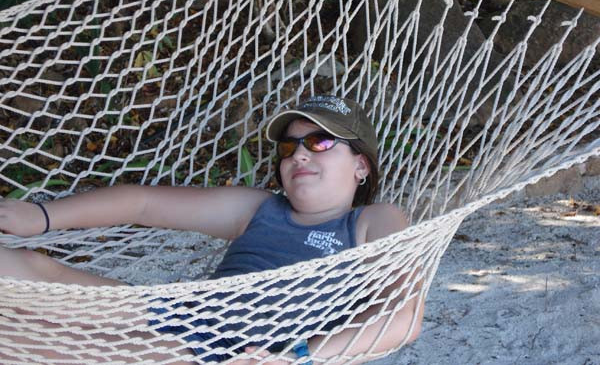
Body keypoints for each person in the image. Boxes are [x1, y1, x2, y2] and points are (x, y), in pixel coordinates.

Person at [0, 95, 423, 364]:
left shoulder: (372, 221)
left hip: (232, 352)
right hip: (179, 314)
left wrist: (299, 359)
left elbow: (402, 318)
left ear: (361, 165)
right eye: (289, 146)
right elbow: (143, 203)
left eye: (320, 142)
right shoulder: (259, 208)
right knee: (26, 269)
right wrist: (41, 217)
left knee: (41, 342)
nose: (299, 155)